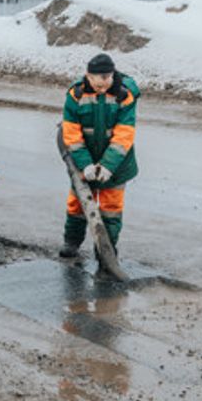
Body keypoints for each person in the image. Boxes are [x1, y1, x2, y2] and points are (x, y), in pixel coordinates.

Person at [59, 53, 140, 264]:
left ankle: (106, 252)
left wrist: (107, 166)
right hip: (83, 162)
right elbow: (72, 136)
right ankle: (72, 242)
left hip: (117, 165)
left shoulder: (125, 95)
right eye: (98, 78)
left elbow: (124, 135)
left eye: (107, 77)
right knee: (78, 203)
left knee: (110, 210)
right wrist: (85, 164)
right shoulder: (75, 95)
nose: (103, 83)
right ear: (88, 75)